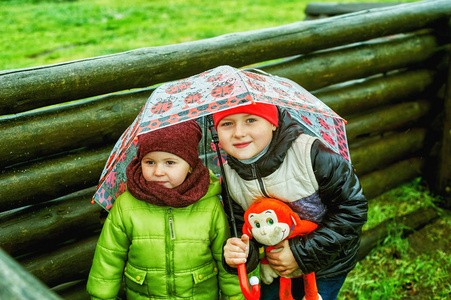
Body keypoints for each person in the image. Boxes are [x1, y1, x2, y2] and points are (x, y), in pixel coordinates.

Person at [213, 103, 368, 300]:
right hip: (275, 268)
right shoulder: (229, 175)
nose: (239, 132)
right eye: (227, 124)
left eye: (251, 120)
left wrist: (299, 253)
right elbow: (242, 228)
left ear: (273, 123)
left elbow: (352, 210)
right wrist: (243, 254)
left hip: (325, 263)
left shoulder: (311, 154)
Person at [87, 120, 244, 300]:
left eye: (169, 162)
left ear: (190, 165)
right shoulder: (126, 205)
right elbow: (108, 259)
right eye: (150, 162)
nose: (158, 171)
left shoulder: (209, 205)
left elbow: (227, 262)